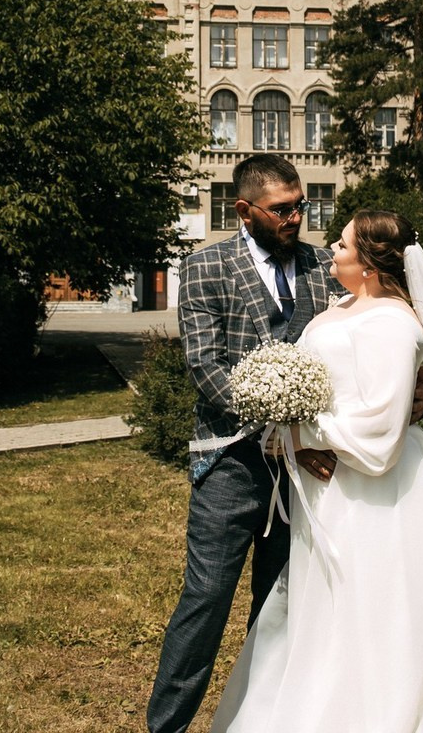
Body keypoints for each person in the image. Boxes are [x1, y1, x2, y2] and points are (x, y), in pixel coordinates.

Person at [210, 209, 423, 733]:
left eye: (343, 244)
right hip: (329, 492)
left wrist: (302, 435)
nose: (331, 248)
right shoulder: (343, 306)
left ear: (371, 265)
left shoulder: (394, 325)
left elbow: (379, 434)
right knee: (328, 609)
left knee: (379, 608)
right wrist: (281, 426)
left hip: (376, 496)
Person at [147, 154, 340, 733]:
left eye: (301, 206)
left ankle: (263, 719)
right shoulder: (205, 267)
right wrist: (277, 421)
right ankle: (167, 726)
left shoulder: (323, 265)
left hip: (305, 469)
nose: (296, 217)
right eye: (282, 209)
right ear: (244, 210)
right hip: (230, 461)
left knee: (281, 602)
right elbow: (205, 367)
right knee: (206, 600)